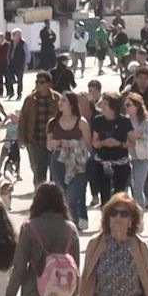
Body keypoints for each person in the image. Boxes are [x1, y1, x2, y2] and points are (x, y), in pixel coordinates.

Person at [47, 91, 92, 224]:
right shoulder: (53, 123)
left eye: (63, 101)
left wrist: (72, 143)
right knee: (61, 192)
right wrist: (54, 143)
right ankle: (65, 223)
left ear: (71, 104)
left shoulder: (81, 122)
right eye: (60, 101)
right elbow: (48, 144)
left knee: (73, 195)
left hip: (78, 161)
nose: (60, 103)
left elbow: (88, 144)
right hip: (58, 160)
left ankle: (74, 224)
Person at [89, 93, 136, 207]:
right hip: (102, 162)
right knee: (104, 196)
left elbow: (132, 143)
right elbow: (94, 142)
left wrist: (118, 143)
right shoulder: (98, 120)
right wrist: (103, 142)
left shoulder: (125, 121)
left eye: (106, 104)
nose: (103, 106)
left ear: (114, 106)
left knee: (119, 195)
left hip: (120, 162)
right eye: (102, 103)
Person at [16, 71, 58, 189]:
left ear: (49, 84)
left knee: (54, 169)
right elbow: (23, 119)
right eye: (37, 82)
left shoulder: (57, 99)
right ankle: (40, 193)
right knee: (39, 169)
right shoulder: (30, 99)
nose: (38, 85)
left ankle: (54, 195)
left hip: (53, 141)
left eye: (42, 82)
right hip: (36, 140)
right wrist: (21, 138)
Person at [123, 93, 148, 212]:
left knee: (137, 188)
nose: (126, 107)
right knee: (124, 190)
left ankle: (139, 216)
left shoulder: (145, 122)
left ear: (136, 106)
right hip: (125, 158)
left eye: (128, 104)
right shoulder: (123, 121)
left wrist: (141, 135)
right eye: (125, 105)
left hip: (141, 158)